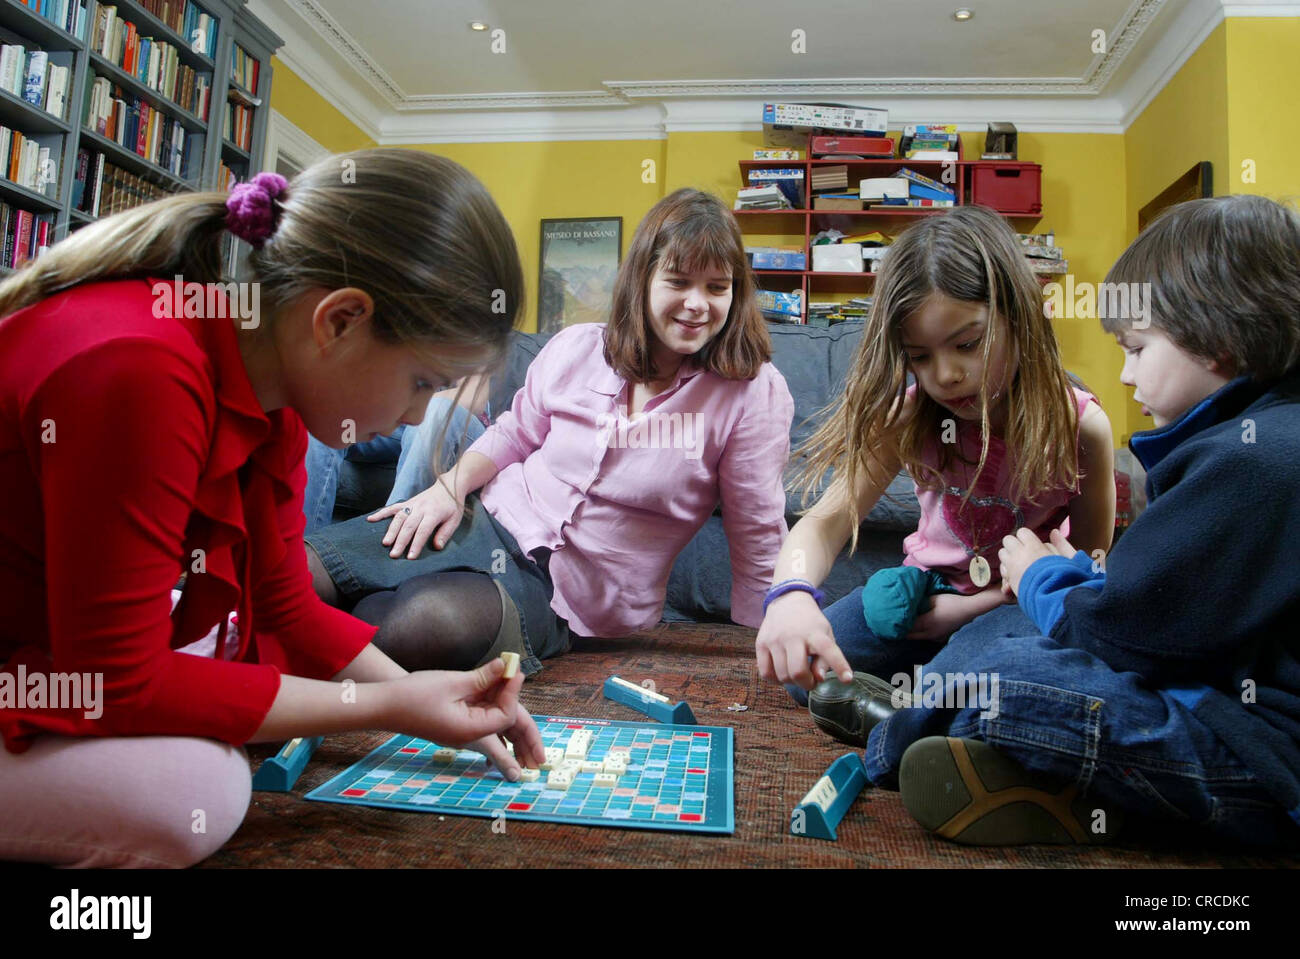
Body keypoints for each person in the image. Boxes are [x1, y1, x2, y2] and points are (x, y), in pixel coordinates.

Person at [0, 150, 545, 868]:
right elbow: (117, 679)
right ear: (340, 321)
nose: (417, 419)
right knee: (197, 790)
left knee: (235, 687)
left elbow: (286, 606)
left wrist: (424, 697)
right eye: (421, 382)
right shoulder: (141, 368)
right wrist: (390, 707)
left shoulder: (277, 404)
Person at [830, 195, 1300, 848]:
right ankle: (1015, 766)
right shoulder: (1257, 443)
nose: (1127, 374)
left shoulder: (1257, 460)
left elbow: (1120, 622)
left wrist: (1040, 575)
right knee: (989, 664)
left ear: (1218, 339)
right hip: (1225, 716)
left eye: (1137, 348)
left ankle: (895, 743)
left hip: (1260, 761)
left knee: (997, 674)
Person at [304, 188, 795, 672]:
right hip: (488, 518)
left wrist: (773, 626)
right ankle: (263, 677)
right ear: (642, 279)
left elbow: (755, 525)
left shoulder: (751, 393)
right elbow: (516, 432)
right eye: (679, 281)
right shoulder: (577, 347)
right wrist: (447, 489)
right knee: (300, 572)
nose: (697, 304)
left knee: (413, 623)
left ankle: (303, 664)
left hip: (567, 599)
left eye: (716, 287)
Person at [755, 204, 1115, 717]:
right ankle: (933, 706)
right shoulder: (907, 416)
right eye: (919, 356)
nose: (944, 375)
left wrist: (972, 609)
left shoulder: (1081, 426)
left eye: (967, 344)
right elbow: (826, 522)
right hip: (922, 596)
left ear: (1022, 317)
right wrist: (789, 596)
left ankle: (926, 709)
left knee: (962, 683)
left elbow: (1089, 570)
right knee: (808, 673)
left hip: (1017, 605)